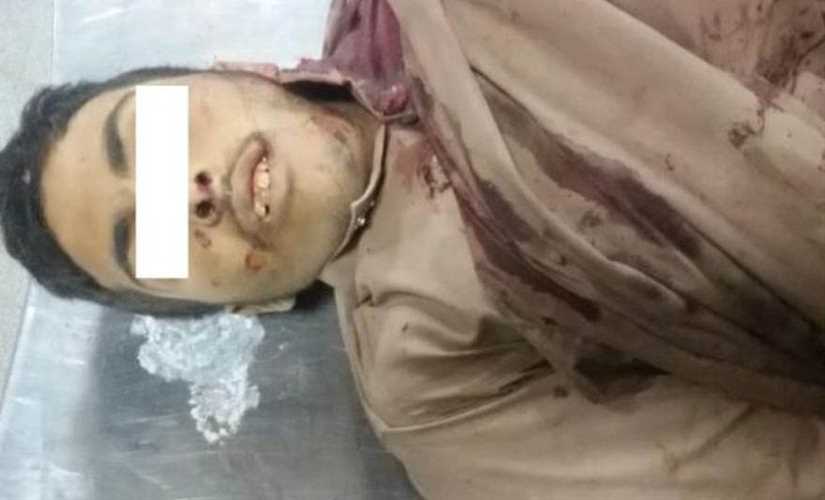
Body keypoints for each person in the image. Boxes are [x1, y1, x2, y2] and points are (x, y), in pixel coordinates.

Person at [2, 0, 825, 498]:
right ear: (252, 305)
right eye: (148, 239)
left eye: (151, 141)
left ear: (235, 70)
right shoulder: (441, 393)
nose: (192, 192)